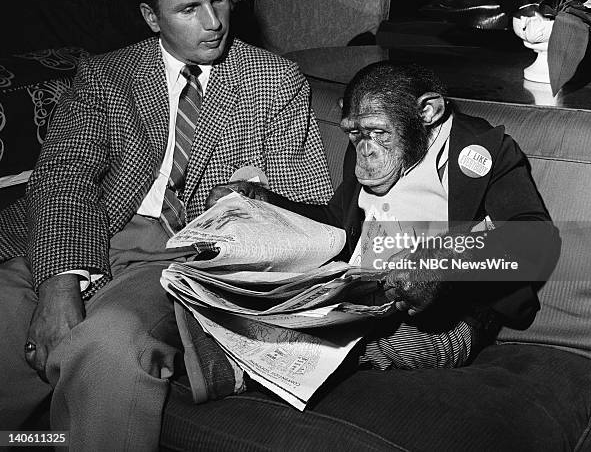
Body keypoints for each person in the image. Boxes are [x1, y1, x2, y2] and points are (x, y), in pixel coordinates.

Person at [0, 0, 333, 448]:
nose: (212, 23)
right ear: (152, 16)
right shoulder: (108, 75)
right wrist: (59, 283)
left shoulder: (276, 80)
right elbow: (64, 175)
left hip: (178, 258)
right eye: (188, 8)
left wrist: (253, 203)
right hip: (89, 232)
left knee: (110, 347)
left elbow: (308, 201)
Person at [207, 61, 561, 370]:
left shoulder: (484, 150)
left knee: (340, 344)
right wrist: (262, 202)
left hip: (445, 315)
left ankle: (249, 362)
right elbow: (336, 225)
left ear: (428, 112)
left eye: (379, 132)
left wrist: (446, 261)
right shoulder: (363, 143)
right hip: (356, 296)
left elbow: (536, 239)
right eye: (354, 133)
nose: (365, 150)